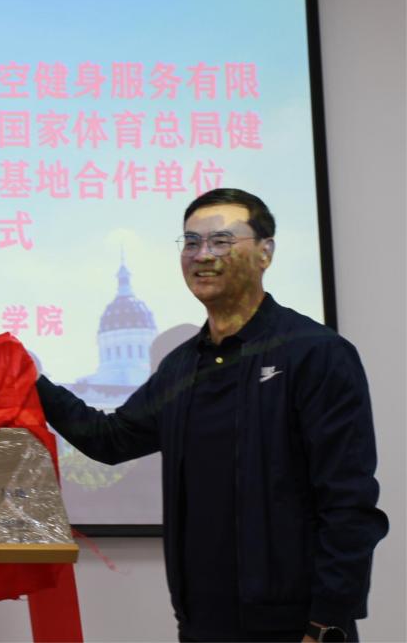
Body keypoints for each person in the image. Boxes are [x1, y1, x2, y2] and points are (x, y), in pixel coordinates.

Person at [36, 189, 387, 642]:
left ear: (265, 253)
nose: (203, 255)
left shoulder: (315, 352)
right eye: (191, 242)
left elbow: (348, 503)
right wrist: (31, 380)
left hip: (295, 627)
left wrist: (327, 625)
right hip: (201, 623)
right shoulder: (181, 367)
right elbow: (111, 438)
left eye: (221, 241)